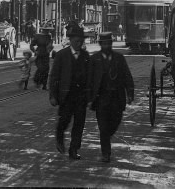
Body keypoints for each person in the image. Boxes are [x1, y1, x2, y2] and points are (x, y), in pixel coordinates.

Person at [88, 31, 134, 163]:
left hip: (116, 98)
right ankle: (105, 153)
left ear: (111, 44)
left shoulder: (119, 58)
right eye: (104, 43)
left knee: (115, 123)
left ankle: (106, 138)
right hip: (101, 98)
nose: (107, 46)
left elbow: (127, 76)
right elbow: (89, 79)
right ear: (100, 44)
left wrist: (130, 93)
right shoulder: (94, 59)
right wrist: (89, 98)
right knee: (103, 127)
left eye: (109, 43)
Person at [48, 24, 92, 160]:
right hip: (66, 96)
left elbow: (90, 76)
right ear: (71, 41)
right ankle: (59, 136)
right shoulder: (62, 55)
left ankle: (74, 149)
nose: (79, 44)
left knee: (79, 124)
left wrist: (90, 95)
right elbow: (54, 76)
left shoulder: (85, 56)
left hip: (81, 97)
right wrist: (53, 96)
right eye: (76, 41)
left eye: (81, 41)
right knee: (64, 121)